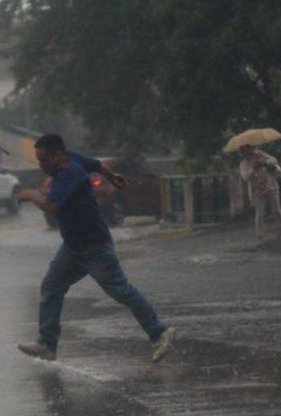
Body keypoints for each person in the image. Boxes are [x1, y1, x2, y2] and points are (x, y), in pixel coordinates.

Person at [16, 133, 176, 363]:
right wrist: (112, 177)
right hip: (73, 248)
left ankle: (159, 331)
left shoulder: (69, 173)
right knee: (51, 287)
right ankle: (47, 344)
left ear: (58, 155)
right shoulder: (74, 160)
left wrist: (30, 195)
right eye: (38, 160)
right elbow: (98, 165)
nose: (41, 165)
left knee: (121, 291)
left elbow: (51, 205)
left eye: (44, 159)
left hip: (94, 247)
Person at [238, 144, 281, 244]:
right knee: (260, 215)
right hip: (257, 191)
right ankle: (260, 237)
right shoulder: (243, 164)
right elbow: (245, 177)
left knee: (277, 211)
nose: (247, 154)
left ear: (251, 149)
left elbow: (273, 160)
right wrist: (253, 169)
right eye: (244, 152)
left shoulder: (260, 154)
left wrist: (264, 162)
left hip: (270, 186)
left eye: (248, 151)